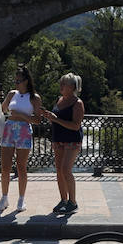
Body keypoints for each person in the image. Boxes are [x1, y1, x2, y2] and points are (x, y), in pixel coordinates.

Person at [0, 64, 42, 214]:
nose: (16, 83)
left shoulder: (34, 98)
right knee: (5, 167)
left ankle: (21, 198)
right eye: (15, 81)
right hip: (9, 129)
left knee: (21, 167)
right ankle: (4, 197)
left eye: (19, 81)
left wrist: (21, 115)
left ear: (26, 81)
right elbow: (3, 109)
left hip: (23, 130)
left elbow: (37, 120)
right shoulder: (11, 94)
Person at [40, 72, 85, 213]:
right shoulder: (59, 100)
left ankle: (73, 202)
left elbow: (76, 125)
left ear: (72, 87)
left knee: (66, 170)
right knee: (59, 171)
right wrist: (49, 116)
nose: (61, 86)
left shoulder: (77, 103)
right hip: (58, 139)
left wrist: (56, 119)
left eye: (63, 83)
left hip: (72, 140)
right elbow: (56, 118)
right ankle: (63, 200)